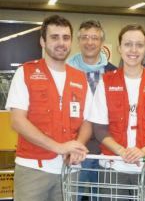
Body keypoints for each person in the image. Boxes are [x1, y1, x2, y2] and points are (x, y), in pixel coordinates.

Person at [5, 15, 93, 201]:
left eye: (66, 37)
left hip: (69, 171)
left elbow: (87, 120)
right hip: (33, 170)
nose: (61, 43)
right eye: (54, 37)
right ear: (42, 42)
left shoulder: (80, 78)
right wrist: (59, 147)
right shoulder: (26, 73)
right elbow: (17, 121)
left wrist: (77, 146)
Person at [88, 24, 145, 201]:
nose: (133, 50)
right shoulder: (107, 81)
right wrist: (122, 151)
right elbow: (99, 128)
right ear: (119, 48)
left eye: (139, 45)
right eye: (128, 44)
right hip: (113, 165)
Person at [67, 20, 116, 201]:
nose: (89, 42)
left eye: (94, 38)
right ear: (78, 41)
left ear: (101, 42)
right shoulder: (66, 70)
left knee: (103, 196)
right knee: (72, 195)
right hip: (74, 144)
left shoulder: (114, 73)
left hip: (105, 145)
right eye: (85, 37)